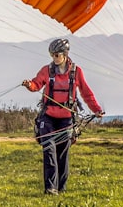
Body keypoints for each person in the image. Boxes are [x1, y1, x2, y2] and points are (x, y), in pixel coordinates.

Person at [21, 38, 105, 195]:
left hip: (66, 119)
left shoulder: (76, 72)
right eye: (52, 55)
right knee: (49, 150)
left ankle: (61, 188)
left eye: (57, 54)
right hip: (48, 118)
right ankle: (50, 188)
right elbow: (36, 84)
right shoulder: (46, 70)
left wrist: (96, 109)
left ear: (65, 54)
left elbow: (86, 92)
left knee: (62, 154)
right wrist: (29, 85)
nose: (54, 57)